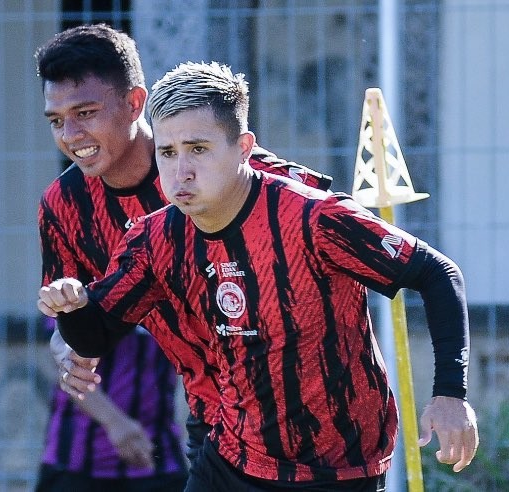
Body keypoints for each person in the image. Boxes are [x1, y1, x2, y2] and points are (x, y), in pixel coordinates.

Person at [38, 61, 479, 491]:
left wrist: (449, 395)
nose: (180, 170)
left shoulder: (314, 218)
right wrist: (72, 307)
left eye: (199, 149)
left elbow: (438, 274)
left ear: (244, 148)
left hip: (339, 464)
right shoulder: (155, 237)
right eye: (168, 153)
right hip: (233, 454)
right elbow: (94, 335)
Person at [33, 26, 332, 491]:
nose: (72, 135)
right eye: (56, 120)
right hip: (211, 417)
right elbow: (67, 321)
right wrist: (70, 347)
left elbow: (333, 230)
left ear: (135, 103)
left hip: (305, 415)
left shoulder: (220, 166)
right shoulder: (64, 205)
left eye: (86, 113)